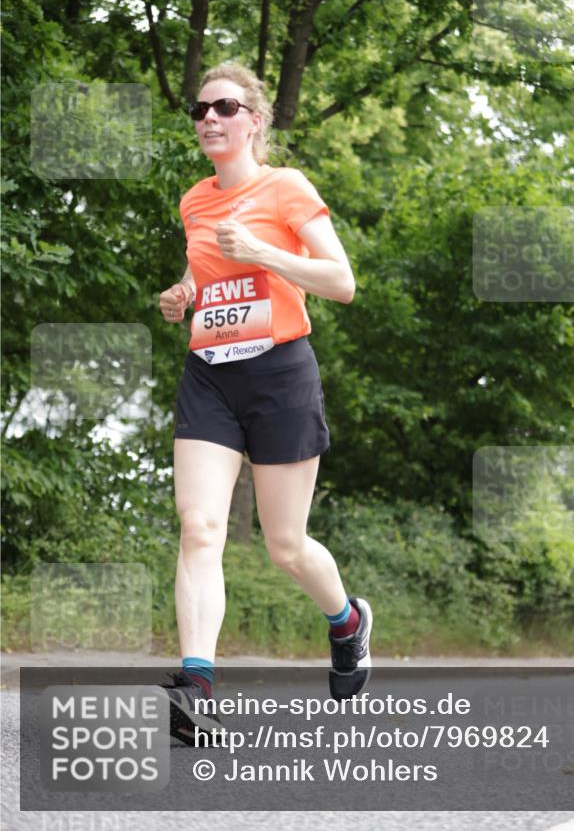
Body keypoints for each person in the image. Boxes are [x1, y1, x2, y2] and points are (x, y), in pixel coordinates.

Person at [158, 61, 372, 743]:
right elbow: (205, 266)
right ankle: (196, 689)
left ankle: (347, 621)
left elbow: (341, 282)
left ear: (253, 121)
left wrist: (262, 252)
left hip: (280, 374)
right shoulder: (194, 201)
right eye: (200, 110)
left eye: (223, 107)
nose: (209, 119)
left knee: (285, 546)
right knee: (200, 527)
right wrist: (184, 293)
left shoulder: (286, 188)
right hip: (211, 375)